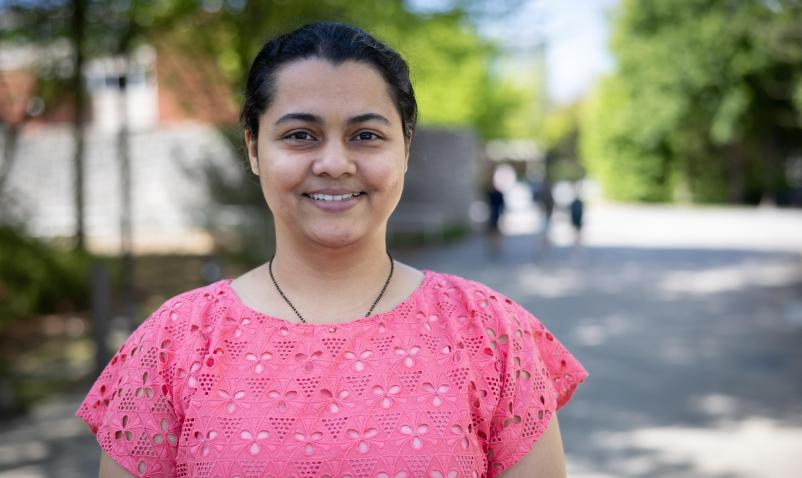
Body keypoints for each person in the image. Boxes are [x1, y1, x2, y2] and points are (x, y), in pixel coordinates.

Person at [77, 22, 588, 478]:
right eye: (301, 135)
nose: (335, 163)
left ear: (405, 148)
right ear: (254, 149)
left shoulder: (491, 334)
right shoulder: (173, 345)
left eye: (366, 135)